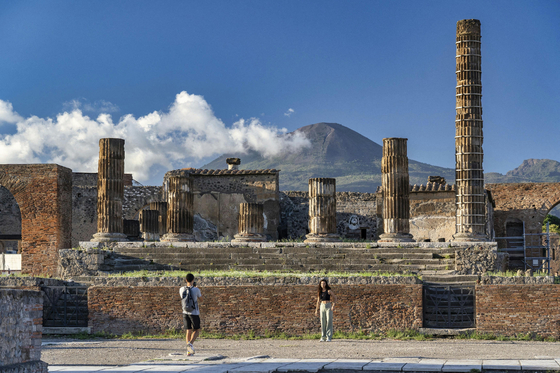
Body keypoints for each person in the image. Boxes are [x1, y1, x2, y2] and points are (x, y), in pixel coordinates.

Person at [179, 273, 202, 355]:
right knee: (196, 330)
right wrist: (196, 288)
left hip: (185, 312)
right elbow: (201, 299)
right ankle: (190, 344)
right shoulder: (196, 290)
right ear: (193, 280)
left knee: (188, 330)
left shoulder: (181, 289)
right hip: (194, 312)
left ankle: (188, 351)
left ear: (186, 280)